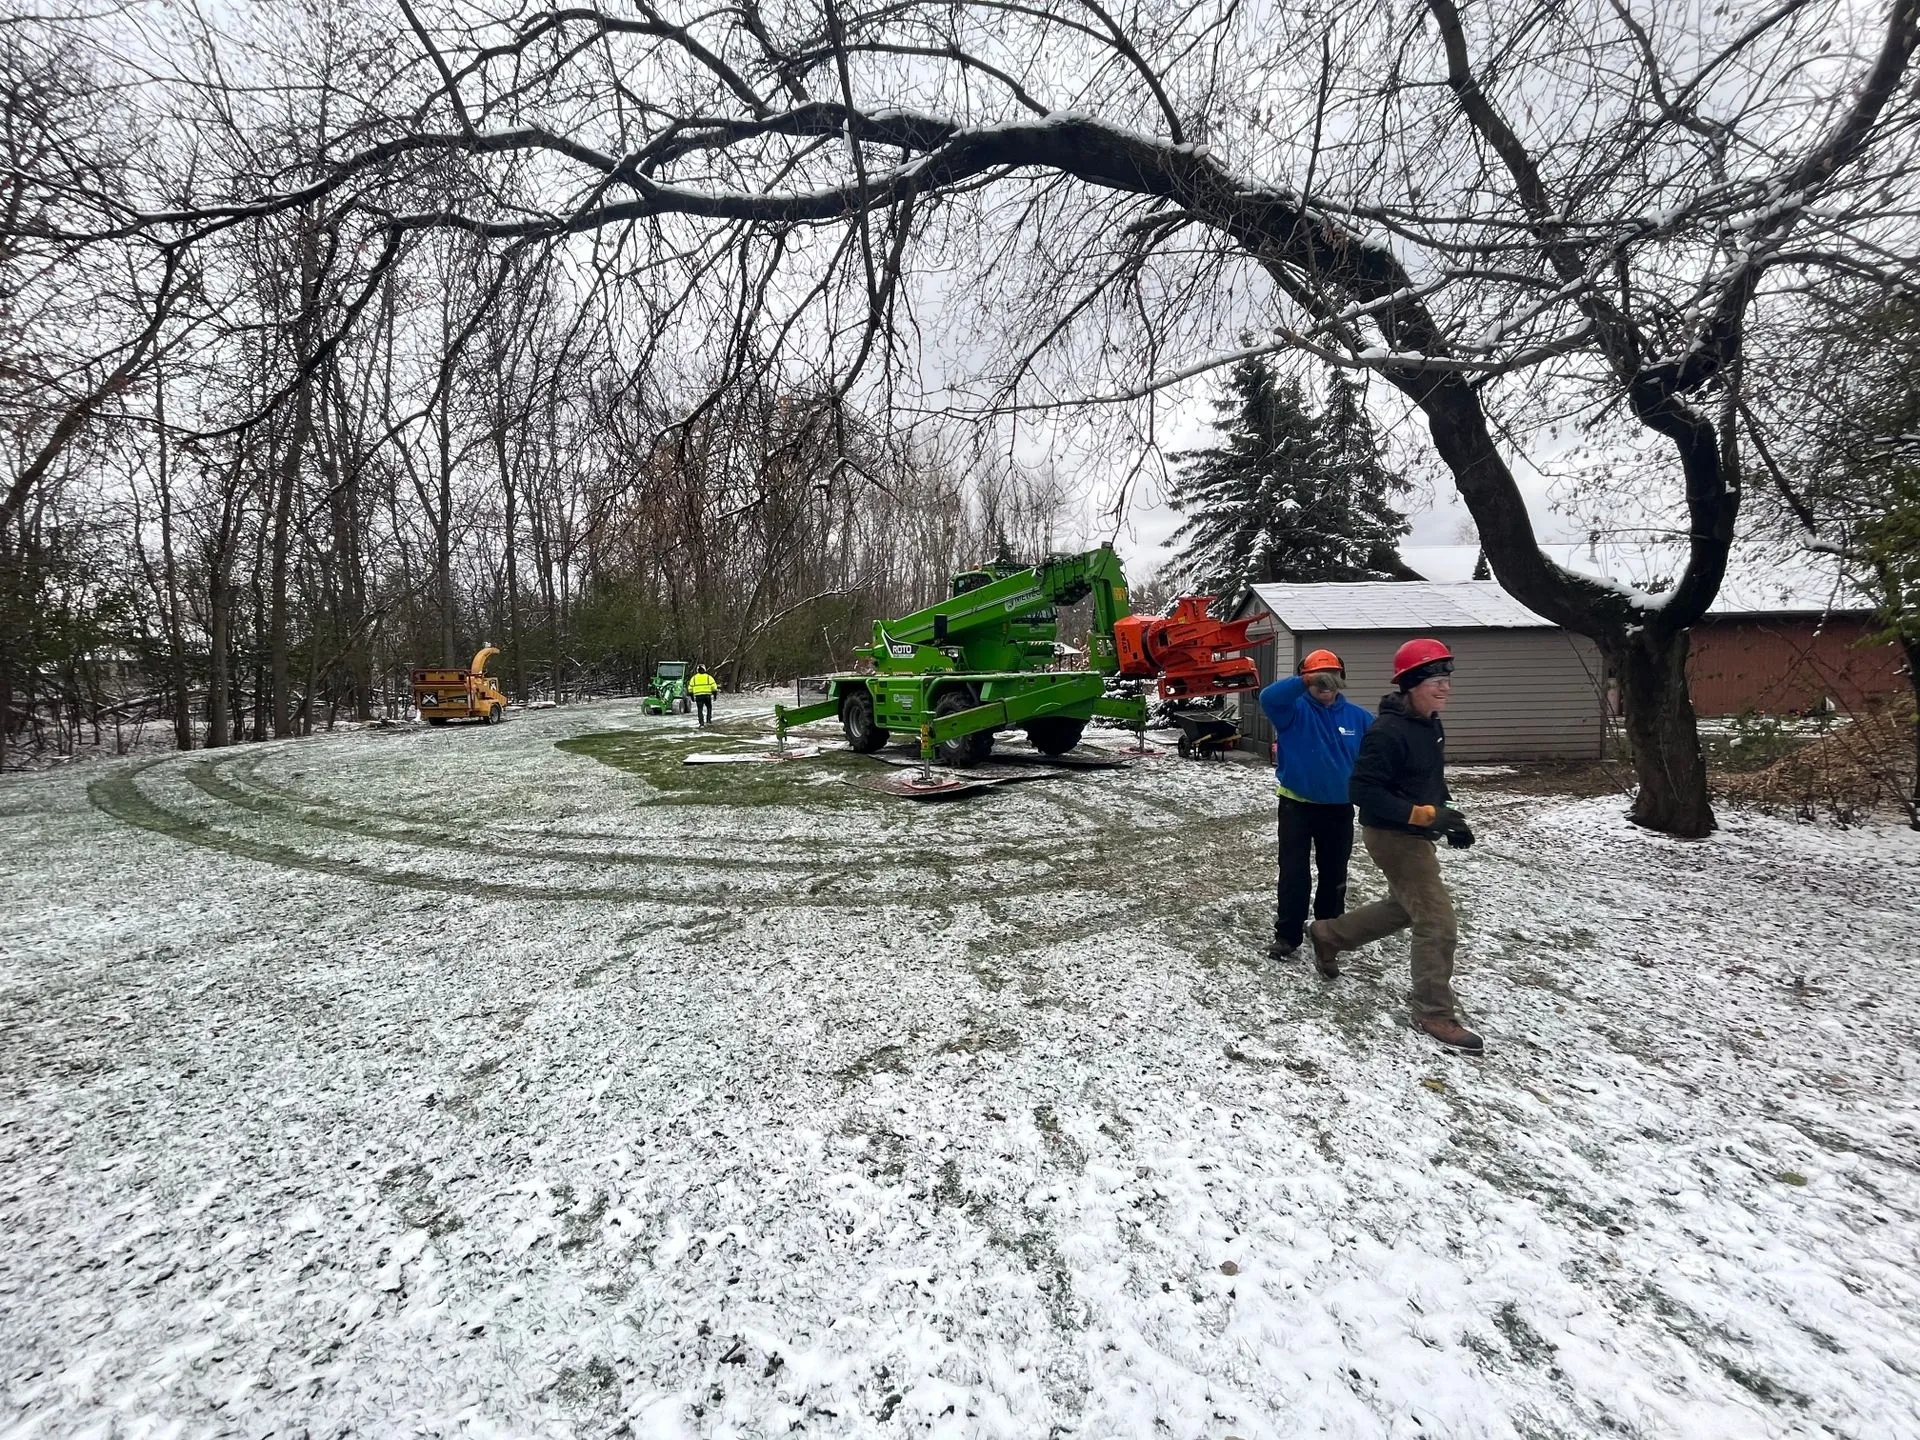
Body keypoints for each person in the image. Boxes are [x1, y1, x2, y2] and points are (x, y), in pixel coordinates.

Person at [1308, 638, 1483, 1053]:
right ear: (1410, 684)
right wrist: (1424, 815)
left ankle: (1329, 934)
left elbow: (1430, 779)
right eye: (1434, 681)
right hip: (1392, 836)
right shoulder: (1388, 732)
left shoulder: (1430, 723)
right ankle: (1433, 1012)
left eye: (1446, 680)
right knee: (1437, 922)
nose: (1444, 688)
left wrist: (1449, 815)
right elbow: (1362, 789)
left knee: (1405, 907)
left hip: (1416, 833)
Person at [1257, 649, 1371, 965]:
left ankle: (1329, 936)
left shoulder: (1358, 718)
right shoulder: (1292, 711)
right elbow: (1268, 697)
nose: (1325, 683)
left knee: (1334, 874)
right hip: (1296, 806)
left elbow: (1380, 752)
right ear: (1305, 679)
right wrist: (1304, 679)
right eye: (1317, 677)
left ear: (1341, 679)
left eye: (1331, 675)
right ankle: (1287, 936)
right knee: (1294, 873)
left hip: (1339, 810)